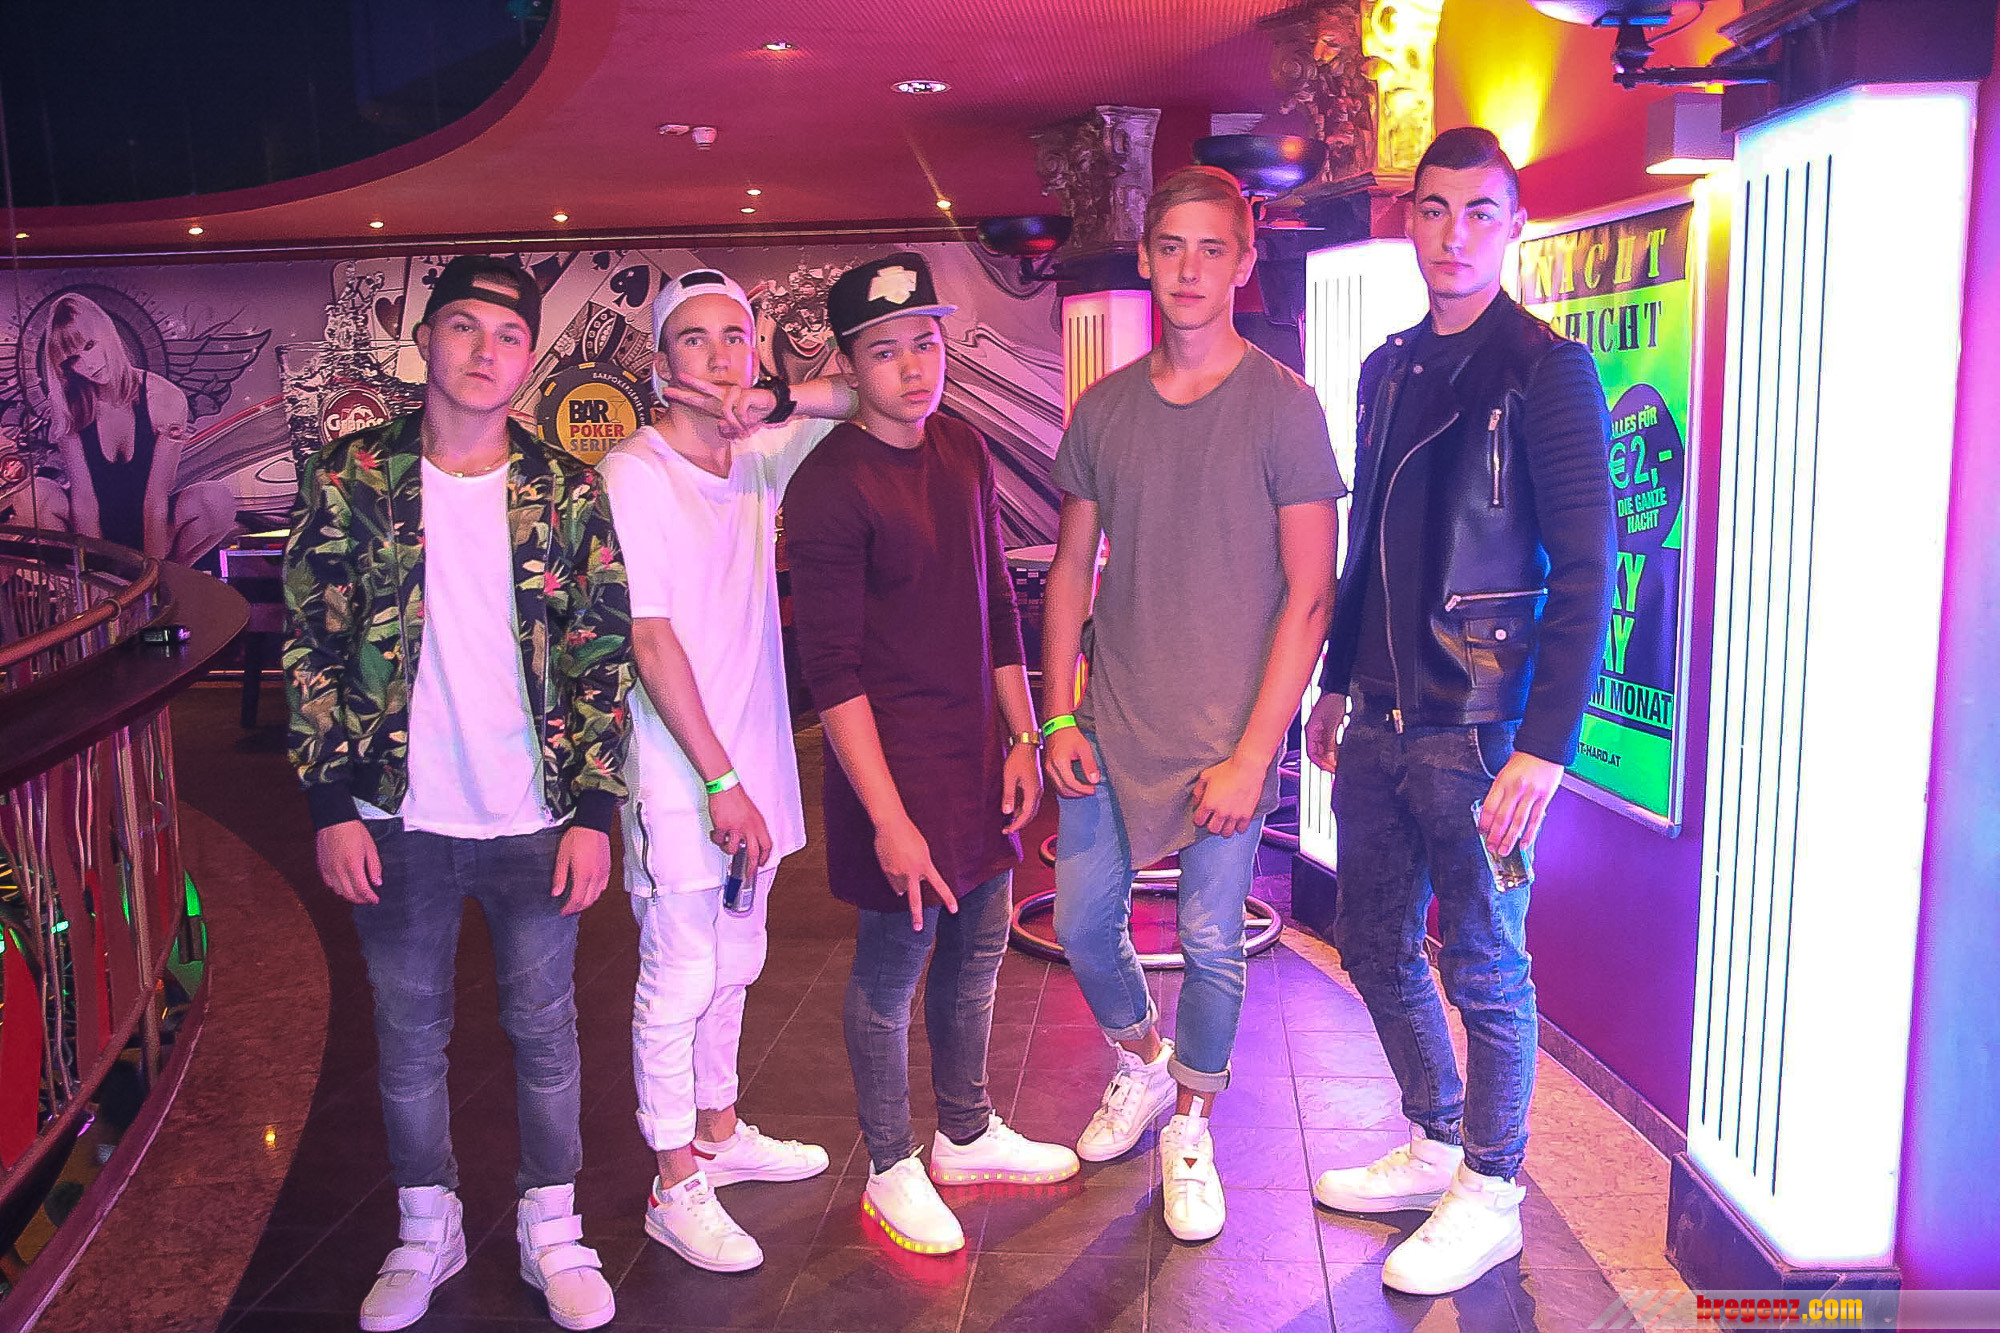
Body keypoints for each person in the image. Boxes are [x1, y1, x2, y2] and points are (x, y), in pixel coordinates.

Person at [284, 255, 632, 1332]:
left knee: (546, 1030)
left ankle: (553, 1226)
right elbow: (312, 641)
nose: (487, 350)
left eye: (509, 334)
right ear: (427, 339)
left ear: (529, 359)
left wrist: (594, 811)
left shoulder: (565, 487)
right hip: (396, 815)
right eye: (466, 326)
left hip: (535, 816)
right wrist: (330, 805)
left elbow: (600, 652)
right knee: (406, 1037)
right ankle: (424, 1226)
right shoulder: (352, 474)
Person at [1303, 127, 1616, 1295]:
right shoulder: (1386, 366)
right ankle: (1436, 1137)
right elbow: (1366, 546)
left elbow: (1587, 567)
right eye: (1432, 208)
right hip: (1380, 714)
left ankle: (1491, 1187)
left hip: (1481, 725)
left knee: (1484, 963)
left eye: (1479, 211)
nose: (1452, 233)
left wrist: (1544, 746)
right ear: (1409, 220)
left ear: (1512, 226)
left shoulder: (1545, 370)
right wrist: (1334, 681)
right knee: (1370, 943)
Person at [1041, 165, 1343, 1243]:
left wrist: (1254, 754)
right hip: (1112, 718)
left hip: (1229, 731)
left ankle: (1193, 1124)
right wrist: (1057, 714)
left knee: (1213, 939)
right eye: (1170, 246)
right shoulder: (1105, 408)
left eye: (1212, 248)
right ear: (1144, 256)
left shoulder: (1283, 405)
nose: (1188, 268)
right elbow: (1070, 568)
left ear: (1244, 263)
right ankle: (1141, 1062)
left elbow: (1311, 593)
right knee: (1083, 923)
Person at [784, 252, 1079, 1256]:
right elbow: (830, 670)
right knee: (890, 971)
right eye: (884, 351)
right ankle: (889, 1163)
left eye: (924, 342)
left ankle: (965, 1129)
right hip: (892, 768)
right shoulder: (828, 486)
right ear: (847, 363)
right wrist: (887, 817)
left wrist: (1023, 734)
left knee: (980, 945)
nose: (914, 367)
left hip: (974, 753)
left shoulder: (961, 446)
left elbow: (995, 600)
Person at [599, 269, 860, 1273]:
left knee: (739, 956)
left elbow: (871, 394)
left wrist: (775, 397)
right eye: (695, 340)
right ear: (659, 361)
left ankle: (717, 1129)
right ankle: (674, 1183)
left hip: (755, 759)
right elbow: (650, 637)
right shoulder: (636, 471)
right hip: (683, 769)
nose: (717, 358)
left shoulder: (755, 455)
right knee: (680, 971)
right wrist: (717, 781)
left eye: (735, 338)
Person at [38, 292, 235, 562]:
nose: (88, 364)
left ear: (107, 332)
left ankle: (172, 575)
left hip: (154, 528)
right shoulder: (70, 405)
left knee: (216, 499)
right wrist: (94, 572)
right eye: (73, 359)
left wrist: (151, 576)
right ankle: (71, 578)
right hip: (91, 531)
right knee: (36, 493)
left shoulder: (165, 398)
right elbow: (84, 499)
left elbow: (156, 500)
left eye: (90, 345)